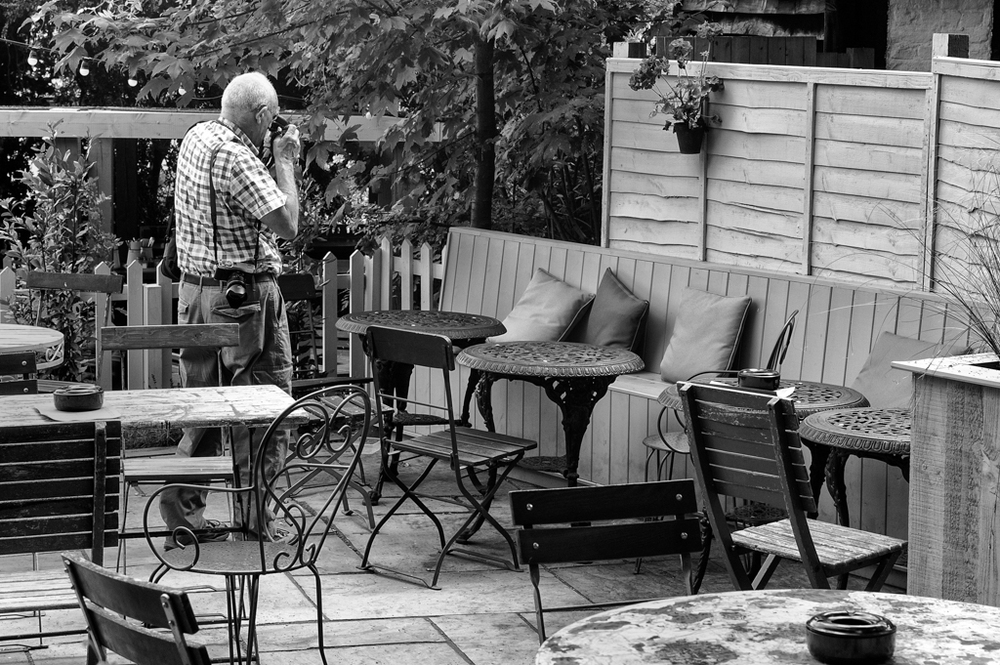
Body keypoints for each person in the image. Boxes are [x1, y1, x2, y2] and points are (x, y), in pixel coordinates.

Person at [159, 71, 300, 545]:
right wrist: (284, 161)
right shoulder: (237, 157)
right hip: (242, 302)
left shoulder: (199, 136)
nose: (272, 128)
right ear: (261, 114)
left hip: (196, 295)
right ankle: (257, 526)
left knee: (202, 410)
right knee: (261, 409)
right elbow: (288, 224)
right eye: (272, 120)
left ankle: (183, 518)